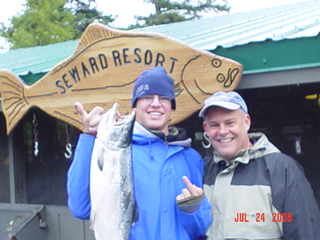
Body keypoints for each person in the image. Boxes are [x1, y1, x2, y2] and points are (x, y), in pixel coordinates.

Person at [67, 66, 212, 240]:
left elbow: (201, 228)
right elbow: (80, 207)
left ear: (172, 107)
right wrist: (89, 136)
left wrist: (192, 209)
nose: (156, 103)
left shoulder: (191, 158)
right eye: (148, 97)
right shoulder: (117, 153)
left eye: (164, 98)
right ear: (135, 106)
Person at [199, 91, 320, 240]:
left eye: (230, 123)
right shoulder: (202, 169)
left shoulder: (281, 168)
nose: (222, 131)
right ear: (206, 129)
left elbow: (304, 231)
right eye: (214, 125)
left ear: (246, 122)